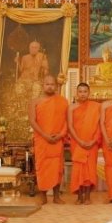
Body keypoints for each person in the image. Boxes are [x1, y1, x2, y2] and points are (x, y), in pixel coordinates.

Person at [28, 75, 68, 205]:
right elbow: (32, 121)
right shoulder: (35, 101)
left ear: (56, 86)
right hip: (42, 140)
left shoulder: (63, 101)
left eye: (52, 84)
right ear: (42, 85)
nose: (50, 86)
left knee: (57, 168)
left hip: (57, 140)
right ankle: (43, 195)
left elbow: (67, 121)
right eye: (47, 84)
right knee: (42, 167)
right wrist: (45, 135)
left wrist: (61, 135)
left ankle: (56, 196)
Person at [68, 83, 101, 205]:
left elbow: (99, 126)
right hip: (77, 143)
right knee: (78, 169)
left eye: (85, 91)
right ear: (77, 93)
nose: (83, 94)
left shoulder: (96, 107)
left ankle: (87, 196)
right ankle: (79, 196)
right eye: (80, 91)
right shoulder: (71, 108)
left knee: (90, 169)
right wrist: (79, 140)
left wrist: (93, 140)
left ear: (89, 93)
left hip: (92, 143)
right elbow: (70, 126)